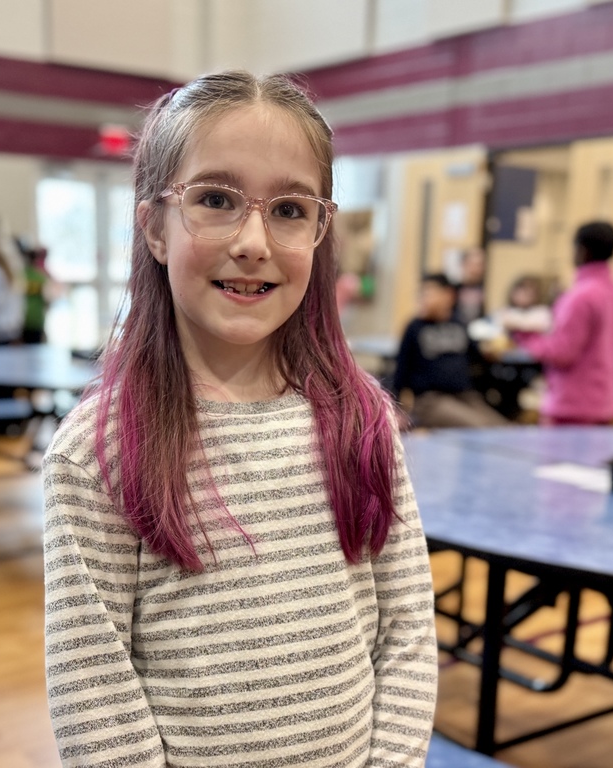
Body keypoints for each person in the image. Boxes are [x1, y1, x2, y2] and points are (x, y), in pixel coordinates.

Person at [41, 71, 437, 768]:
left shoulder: (359, 418)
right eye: (217, 200)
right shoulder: (96, 449)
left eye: (288, 209)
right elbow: (94, 692)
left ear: (319, 231)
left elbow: (406, 631)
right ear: (154, 227)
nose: (254, 240)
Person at [505, 221, 613, 426]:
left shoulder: (579, 297)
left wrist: (524, 336)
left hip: (573, 402)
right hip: (605, 400)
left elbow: (562, 353)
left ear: (581, 250)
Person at [394, 273, 509, 428]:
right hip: (431, 401)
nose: (423, 298)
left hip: (465, 397)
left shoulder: (459, 324)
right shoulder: (415, 327)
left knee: (504, 428)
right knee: (480, 427)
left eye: (429, 293)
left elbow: (477, 356)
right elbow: (401, 370)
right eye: (422, 294)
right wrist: (397, 410)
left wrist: (491, 350)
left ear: (448, 295)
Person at [16, 238, 52, 344]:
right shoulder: (41, 277)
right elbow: (47, 301)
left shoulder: (19, 277)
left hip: (23, 322)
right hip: (36, 321)